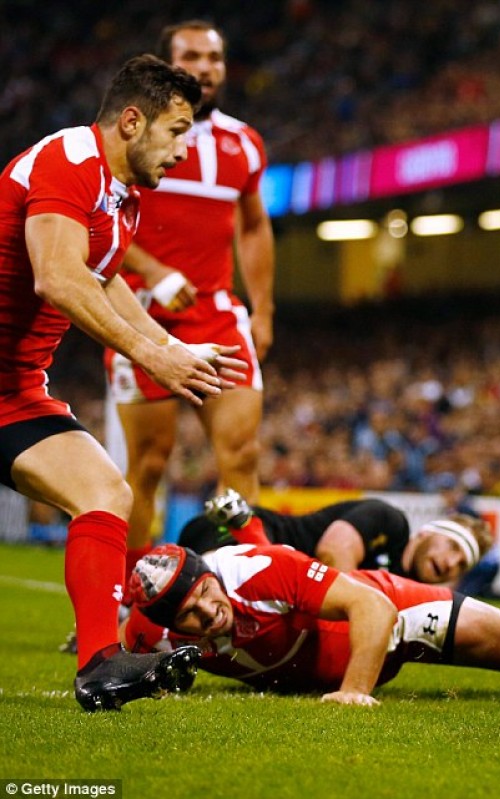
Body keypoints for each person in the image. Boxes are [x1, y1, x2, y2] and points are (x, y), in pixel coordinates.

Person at [0, 54, 249, 711]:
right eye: (177, 131)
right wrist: (148, 355)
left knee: (105, 492)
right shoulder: (68, 161)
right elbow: (58, 275)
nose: (184, 150)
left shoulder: (123, 200)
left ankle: (100, 665)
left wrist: (171, 348)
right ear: (132, 122)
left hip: (14, 391)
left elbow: (105, 279)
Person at [121, 542, 500, 706]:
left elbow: (371, 610)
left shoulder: (261, 570)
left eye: (205, 594)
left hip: (394, 611)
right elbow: (119, 652)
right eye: (191, 614)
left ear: (210, 574)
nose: (208, 612)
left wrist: (353, 692)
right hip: (327, 658)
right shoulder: (149, 633)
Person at [106, 20, 275, 578]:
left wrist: (264, 308)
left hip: (217, 313)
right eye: (192, 56)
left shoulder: (244, 144)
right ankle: (130, 594)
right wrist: (153, 271)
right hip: (138, 313)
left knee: (242, 453)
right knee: (149, 463)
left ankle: (238, 586)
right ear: (167, 65)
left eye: (214, 57)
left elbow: (254, 226)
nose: (205, 67)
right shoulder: (133, 133)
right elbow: (98, 213)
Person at [179, 489, 492, 585]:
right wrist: (359, 609)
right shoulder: (391, 522)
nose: (450, 563)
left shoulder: (407, 588)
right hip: (231, 534)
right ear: (427, 532)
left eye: (461, 564)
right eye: (452, 547)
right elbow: (332, 552)